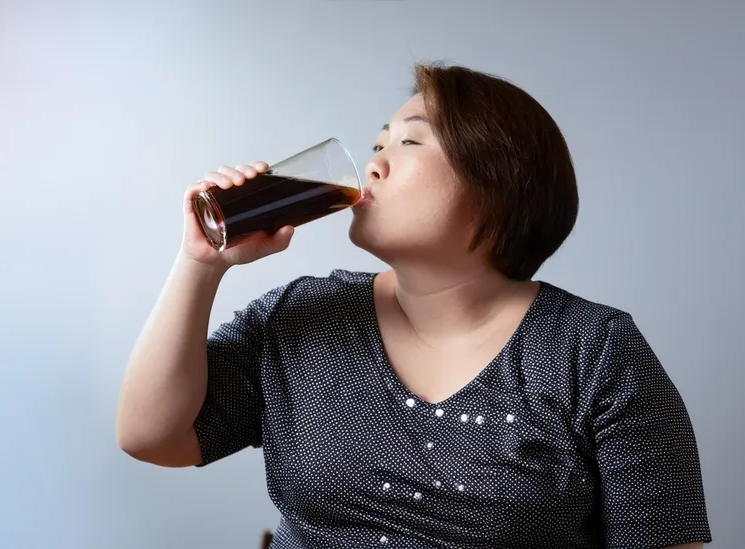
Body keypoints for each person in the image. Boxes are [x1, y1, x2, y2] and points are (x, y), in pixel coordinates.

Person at [116, 63, 712, 548]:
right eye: (378, 143)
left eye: (409, 142)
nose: (373, 163)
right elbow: (152, 437)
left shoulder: (595, 351)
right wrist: (201, 263)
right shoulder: (304, 313)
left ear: (498, 182)